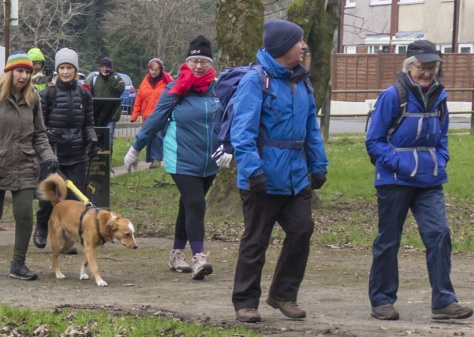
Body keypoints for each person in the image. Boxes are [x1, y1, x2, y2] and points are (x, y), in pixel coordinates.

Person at [228, 20, 328, 323]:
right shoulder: (255, 81)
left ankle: (283, 294)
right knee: (256, 239)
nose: (304, 46)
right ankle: (245, 301)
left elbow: (312, 127)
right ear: (284, 46)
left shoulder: (303, 81)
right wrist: (252, 171)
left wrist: (318, 164)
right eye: (299, 41)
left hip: (296, 176)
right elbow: (241, 132)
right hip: (263, 176)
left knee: (302, 229)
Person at [365, 39, 473, 321]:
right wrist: (400, 164)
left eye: (433, 67)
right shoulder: (392, 95)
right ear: (409, 67)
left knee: (439, 235)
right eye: (423, 67)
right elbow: (374, 142)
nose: (428, 73)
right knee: (389, 240)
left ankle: (444, 302)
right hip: (395, 180)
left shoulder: (440, 97)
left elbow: (443, 135)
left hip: (430, 180)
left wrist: (441, 158)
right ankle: (382, 300)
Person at [122, 35, 222, 281]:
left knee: (188, 205)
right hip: (181, 157)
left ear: (211, 64)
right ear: (186, 62)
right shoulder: (176, 87)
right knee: (197, 203)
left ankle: (176, 253)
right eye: (194, 60)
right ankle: (199, 258)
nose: (198, 66)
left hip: (210, 159)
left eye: (204, 61)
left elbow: (231, 118)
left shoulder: (219, 88)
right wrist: (136, 147)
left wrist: (230, 147)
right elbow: (155, 118)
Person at [0, 51, 58, 280]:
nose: (24, 76)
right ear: (9, 72)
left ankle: (18, 264)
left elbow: (39, 134)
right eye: (20, 71)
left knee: (24, 215)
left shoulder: (33, 99)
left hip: (26, 164)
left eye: (28, 72)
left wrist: (49, 157)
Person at [32, 48, 100, 251]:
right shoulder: (47, 94)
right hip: (53, 153)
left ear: (76, 70)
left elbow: (88, 123)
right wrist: (47, 148)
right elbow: (40, 127)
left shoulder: (85, 95)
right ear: (57, 70)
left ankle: (68, 237)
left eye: (69, 67)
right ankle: (42, 227)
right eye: (62, 67)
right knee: (49, 198)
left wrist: (92, 140)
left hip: (77, 153)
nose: (65, 72)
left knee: (73, 199)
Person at [131, 58, 173, 169]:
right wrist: (134, 115)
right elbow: (139, 99)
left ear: (160, 70)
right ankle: (151, 159)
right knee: (148, 137)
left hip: (161, 115)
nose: (153, 72)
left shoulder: (168, 81)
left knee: (158, 136)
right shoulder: (145, 82)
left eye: (156, 70)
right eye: (151, 70)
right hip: (147, 116)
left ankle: (157, 160)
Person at [87, 57, 124, 144]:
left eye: (107, 67)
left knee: (109, 134)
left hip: (112, 113)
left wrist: (110, 78)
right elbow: (88, 91)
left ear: (110, 68)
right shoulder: (95, 78)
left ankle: (108, 155)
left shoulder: (117, 78)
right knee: (96, 135)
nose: (104, 69)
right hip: (97, 112)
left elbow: (120, 89)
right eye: (102, 67)